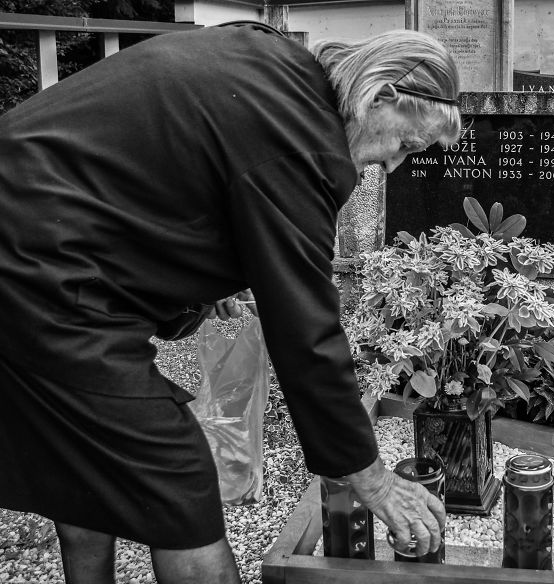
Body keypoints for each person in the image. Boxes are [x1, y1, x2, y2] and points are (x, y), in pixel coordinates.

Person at [0, 22, 460, 584]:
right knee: (176, 478)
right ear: (381, 94)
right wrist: (373, 480)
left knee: (82, 459)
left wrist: (210, 276)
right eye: (406, 145)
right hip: (38, 270)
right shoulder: (302, 142)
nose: (392, 165)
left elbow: (167, 179)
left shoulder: (274, 66)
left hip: (31, 233)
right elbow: (307, 332)